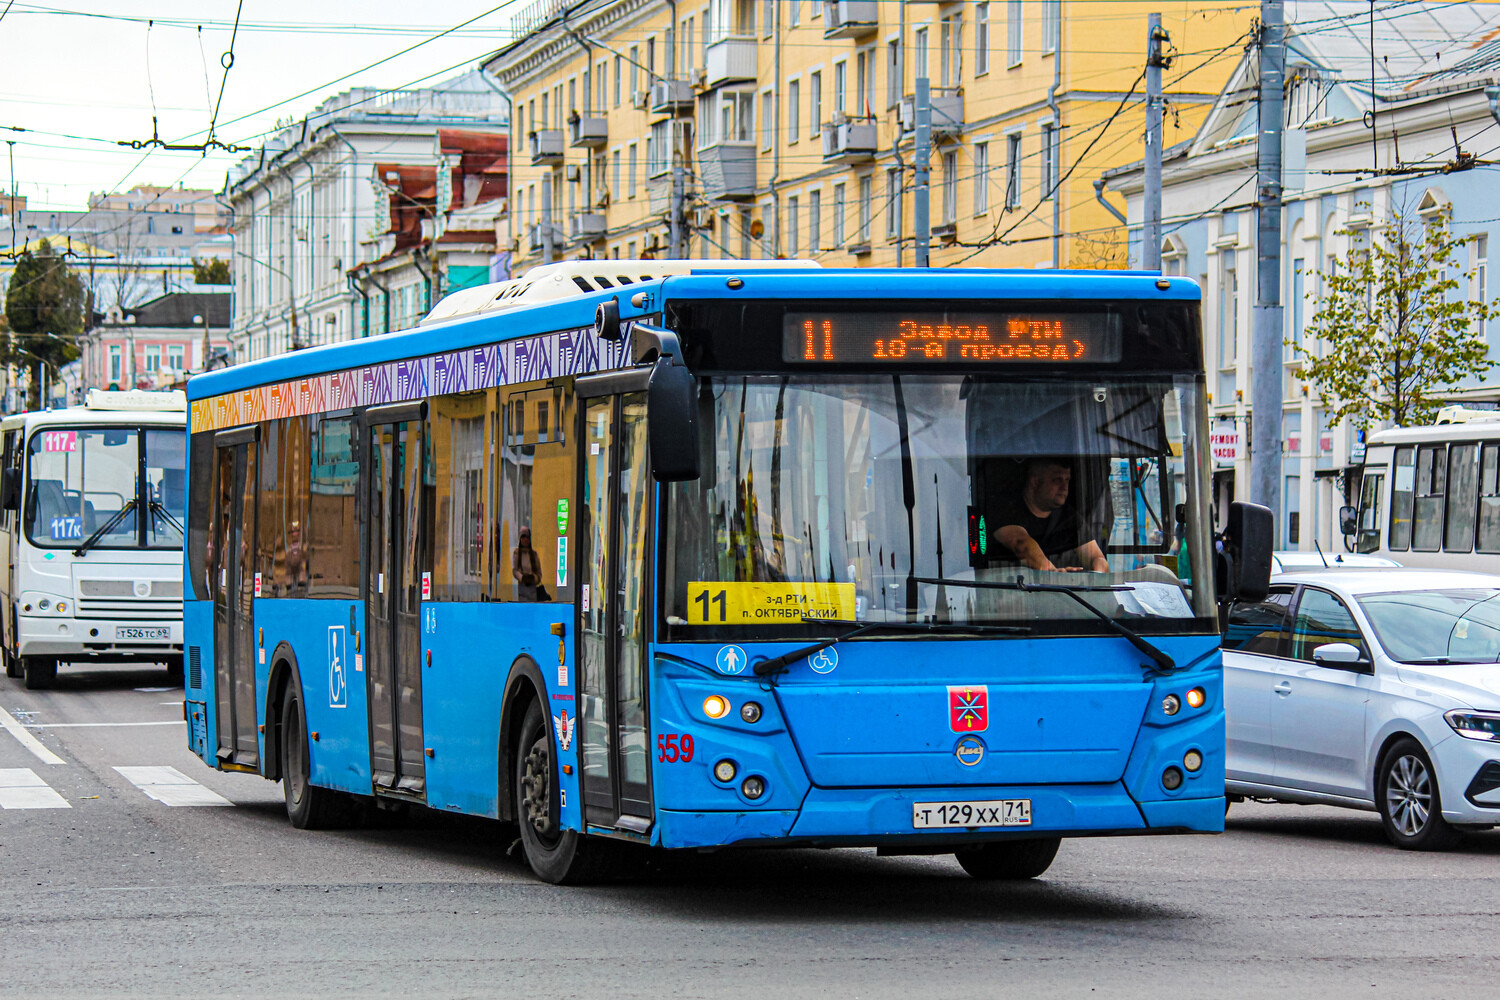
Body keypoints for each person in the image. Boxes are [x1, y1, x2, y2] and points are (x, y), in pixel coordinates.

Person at [994, 458, 1109, 573]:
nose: (1064, 487)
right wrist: (1054, 575)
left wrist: (1097, 572)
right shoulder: (1007, 511)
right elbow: (1022, 544)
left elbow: (1096, 557)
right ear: (1035, 482)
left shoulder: (1068, 516)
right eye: (1057, 480)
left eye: (1067, 480)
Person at [513, 525, 543, 601]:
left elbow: (539, 573)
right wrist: (522, 578)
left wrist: (533, 578)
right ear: (520, 539)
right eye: (523, 537)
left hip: (533, 593)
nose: (525, 540)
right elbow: (515, 570)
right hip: (522, 592)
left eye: (527, 537)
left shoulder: (534, 554)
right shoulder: (517, 553)